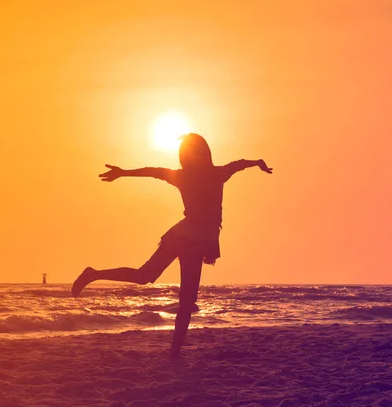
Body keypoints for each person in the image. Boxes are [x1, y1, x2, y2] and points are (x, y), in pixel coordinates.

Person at [72, 133, 272, 357]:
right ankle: (94, 274)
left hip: (186, 236)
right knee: (159, 284)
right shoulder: (204, 175)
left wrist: (256, 163)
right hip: (190, 239)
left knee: (166, 288)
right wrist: (124, 173)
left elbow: (239, 164)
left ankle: (174, 351)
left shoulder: (200, 175)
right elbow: (153, 171)